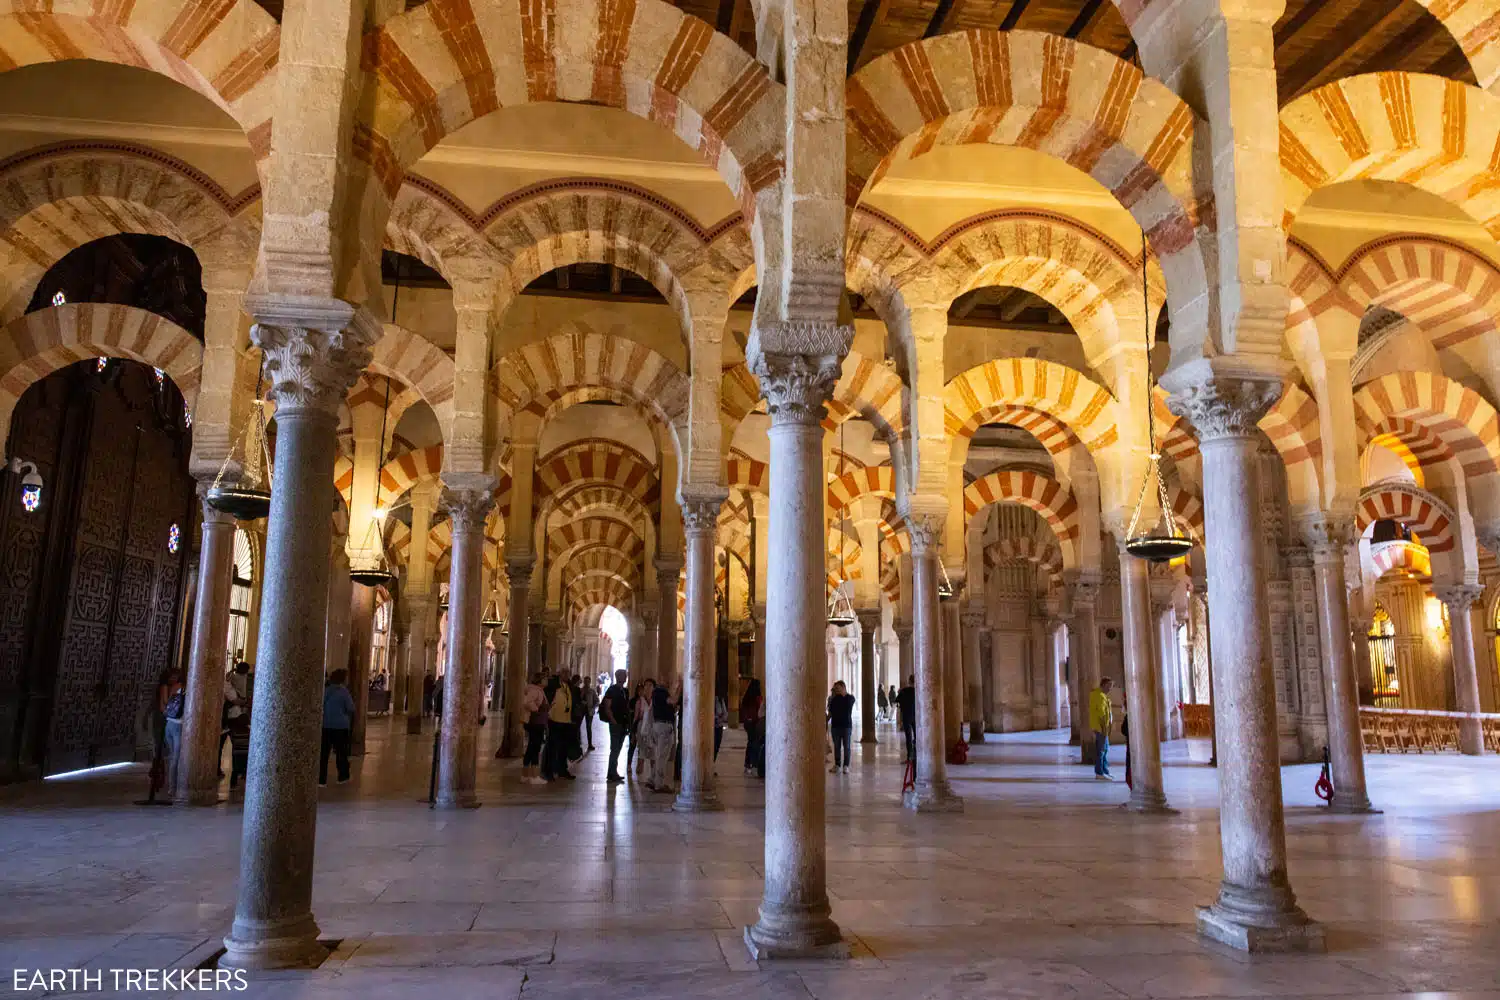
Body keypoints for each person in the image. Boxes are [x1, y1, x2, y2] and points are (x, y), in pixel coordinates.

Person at [320, 668, 356, 786]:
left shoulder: (326, 691)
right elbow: (351, 708)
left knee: (324, 753)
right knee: (341, 752)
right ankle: (343, 777)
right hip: (341, 727)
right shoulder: (344, 692)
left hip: (326, 725)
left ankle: (321, 779)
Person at [601, 668, 631, 783]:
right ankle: (611, 773)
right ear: (618, 677)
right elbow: (607, 707)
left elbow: (626, 708)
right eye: (623, 675)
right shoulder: (611, 690)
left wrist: (628, 724)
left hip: (623, 724)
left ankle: (613, 772)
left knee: (618, 749)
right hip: (615, 723)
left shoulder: (625, 691)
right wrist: (613, 720)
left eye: (625, 675)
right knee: (614, 749)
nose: (625, 677)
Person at [648, 679, 678, 792]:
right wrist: (680, 686)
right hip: (664, 727)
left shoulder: (656, 693)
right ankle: (659, 785)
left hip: (658, 726)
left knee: (659, 755)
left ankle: (652, 779)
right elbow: (673, 701)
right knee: (662, 756)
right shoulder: (661, 692)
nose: (671, 682)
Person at [545, 671, 575, 781]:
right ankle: (549, 771)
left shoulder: (567, 686)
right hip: (554, 720)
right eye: (565, 673)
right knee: (552, 747)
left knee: (564, 747)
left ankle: (562, 769)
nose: (567, 675)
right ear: (560, 674)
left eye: (568, 673)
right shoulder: (554, 685)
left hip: (566, 721)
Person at [519, 672, 548, 784]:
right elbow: (527, 702)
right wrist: (536, 709)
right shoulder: (535, 690)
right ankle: (534, 776)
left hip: (538, 722)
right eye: (545, 679)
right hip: (536, 722)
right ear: (539, 681)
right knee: (535, 747)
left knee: (532, 747)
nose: (547, 681)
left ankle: (525, 775)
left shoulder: (539, 690)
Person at [827, 680, 856, 774]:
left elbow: (849, 705)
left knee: (847, 746)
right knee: (837, 747)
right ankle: (837, 765)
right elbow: (830, 712)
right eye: (835, 689)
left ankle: (846, 766)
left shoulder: (850, 698)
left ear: (843, 687)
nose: (836, 690)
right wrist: (825, 721)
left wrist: (843, 694)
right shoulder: (833, 699)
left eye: (838, 688)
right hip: (835, 726)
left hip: (846, 726)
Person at [1090, 676, 1115, 780]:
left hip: (1102, 728)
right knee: (1101, 750)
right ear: (1104, 685)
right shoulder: (1099, 696)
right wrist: (1105, 729)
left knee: (1105, 749)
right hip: (1101, 728)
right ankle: (1099, 773)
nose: (1110, 688)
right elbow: (1102, 714)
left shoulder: (1101, 695)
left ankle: (1104, 771)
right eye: (1109, 686)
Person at [740, 679, 764, 779]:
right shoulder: (757, 697)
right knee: (754, 743)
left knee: (750, 742)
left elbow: (743, 709)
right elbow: (760, 710)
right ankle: (753, 763)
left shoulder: (746, 697)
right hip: (754, 723)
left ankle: (747, 763)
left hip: (748, 722)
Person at [631, 680, 655, 779]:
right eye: (646, 685)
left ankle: (653, 776)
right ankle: (638, 775)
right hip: (642, 727)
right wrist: (633, 733)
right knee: (642, 750)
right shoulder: (640, 701)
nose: (648, 687)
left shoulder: (655, 700)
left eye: (650, 685)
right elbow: (636, 717)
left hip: (653, 727)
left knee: (653, 750)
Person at [227, 708, 251, 794]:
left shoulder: (234, 731)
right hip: (246, 753)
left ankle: (233, 785)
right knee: (247, 768)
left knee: (235, 769)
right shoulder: (249, 731)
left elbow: (232, 739)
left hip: (236, 753)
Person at [896, 676, 916, 762]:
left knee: (908, 737)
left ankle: (909, 757)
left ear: (909, 681)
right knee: (917, 736)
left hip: (906, 716)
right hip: (916, 716)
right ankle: (917, 755)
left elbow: (896, 700)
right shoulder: (918, 691)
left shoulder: (904, 691)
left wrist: (899, 692)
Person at [582, 675, 600, 752]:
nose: (586, 683)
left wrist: (593, 706)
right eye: (585, 681)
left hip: (589, 711)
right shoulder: (581, 690)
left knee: (588, 727)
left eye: (588, 681)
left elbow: (597, 701)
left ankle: (590, 744)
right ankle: (578, 742)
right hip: (581, 711)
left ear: (590, 682)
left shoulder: (592, 691)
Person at [713, 694, 728, 761]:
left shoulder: (721, 700)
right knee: (712, 747)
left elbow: (725, 715)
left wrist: (719, 718)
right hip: (712, 728)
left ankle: (712, 764)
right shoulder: (712, 699)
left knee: (716, 747)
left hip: (719, 726)